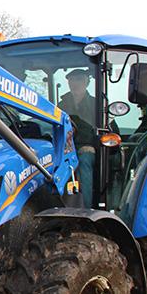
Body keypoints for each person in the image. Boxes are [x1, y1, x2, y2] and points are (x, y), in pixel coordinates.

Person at [58, 69, 96, 205]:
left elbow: (108, 130)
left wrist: (93, 145)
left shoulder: (97, 104)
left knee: (84, 160)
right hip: (65, 147)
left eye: (79, 79)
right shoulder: (61, 105)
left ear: (86, 82)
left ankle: (86, 207)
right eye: (72, 80)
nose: (75, 83)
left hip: (88, 147)